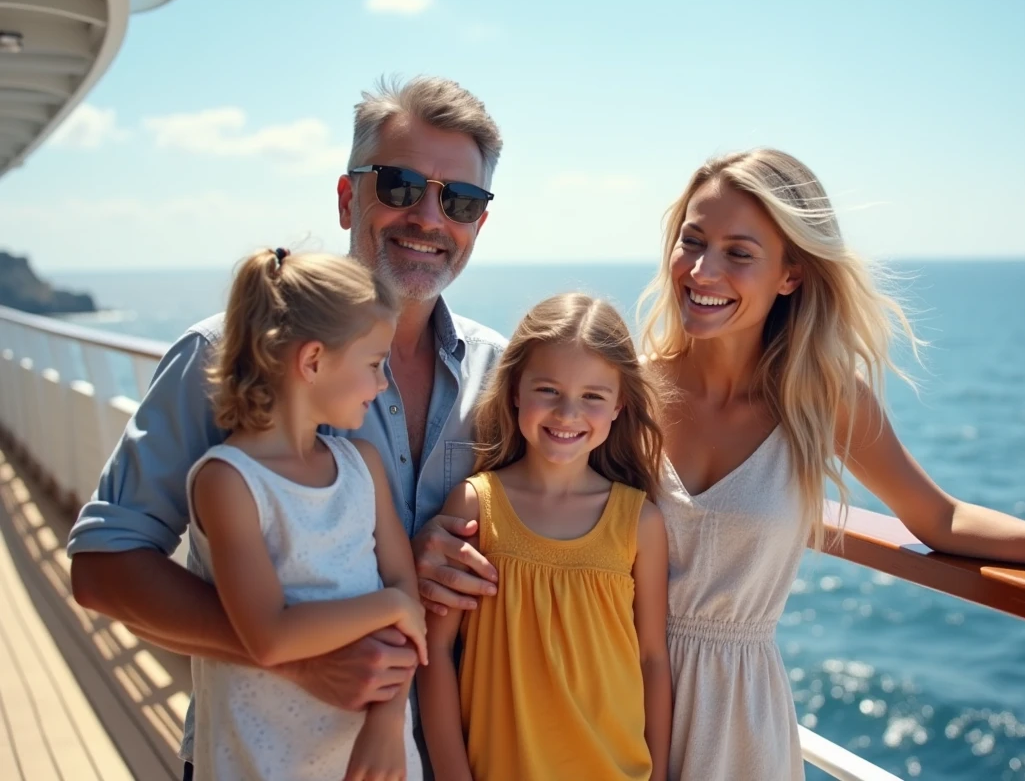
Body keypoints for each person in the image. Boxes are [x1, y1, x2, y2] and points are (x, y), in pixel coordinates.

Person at [417, 148, 1025, 780]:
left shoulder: (822, 401)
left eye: (739, 253)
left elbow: (941, 519)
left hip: (739, 717)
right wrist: (434, 548)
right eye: (692, 241)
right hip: (600, 703)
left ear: (790, 273)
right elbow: (522, 499)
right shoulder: (623, 394)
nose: (702, 271)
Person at [66, 75, 507, 780]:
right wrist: (301, 660)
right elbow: (103, 567)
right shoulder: (225, 357)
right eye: (400, 186)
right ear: (347, 198)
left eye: (459, 200)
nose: (428, 218)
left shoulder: (508, 378)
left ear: (478, 223)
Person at [186, 249, 426, 780]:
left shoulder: (362, 466)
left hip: (374, 756)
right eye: (373, 364)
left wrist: (387, 718)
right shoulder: (230, 482)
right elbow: (270, 636)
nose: (382, 384)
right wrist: (390, 605)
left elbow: (406, 597)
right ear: (313, 361)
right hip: (263, 763)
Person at [418, 293, 672, 781]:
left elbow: (652, 659)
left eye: (592, 396)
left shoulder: (640, 523)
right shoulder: (475, 506)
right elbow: (437, 656)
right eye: (548, 390)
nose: (567, 413)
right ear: (515, 389)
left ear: (619, 404)